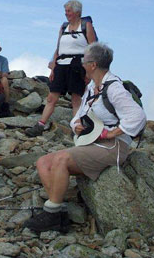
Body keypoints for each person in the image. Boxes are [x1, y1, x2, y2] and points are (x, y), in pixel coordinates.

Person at [24, 43, 146, 232]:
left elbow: (137, 116)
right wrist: (77, 125)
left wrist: (113, 132)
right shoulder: (91, 88)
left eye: (84, 61)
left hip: (114, 147)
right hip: (92, 143)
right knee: (43, 162)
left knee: (61, 160)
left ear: (93, 65)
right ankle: (59, 213)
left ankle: (52, 214)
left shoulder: (114, 88)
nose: (82, 64)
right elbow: (77, 118)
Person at [26, 0, 97, 137]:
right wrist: (53, 68)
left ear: (77, 12)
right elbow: (59, 48)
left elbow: (93, 49)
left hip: (78, 65)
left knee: (76, 98)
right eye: (66, 11)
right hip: (61, 65)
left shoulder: (86, 26)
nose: (66, 14)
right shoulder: (63, 27)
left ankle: (76, 128)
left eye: (69, 11)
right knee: (52, 97)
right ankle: (40, 125)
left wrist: (89, 72)